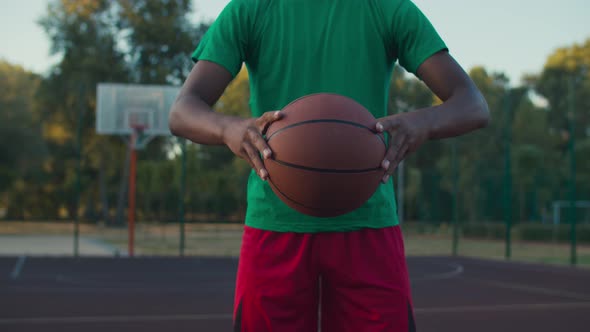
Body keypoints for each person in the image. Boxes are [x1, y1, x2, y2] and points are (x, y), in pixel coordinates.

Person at [169, 0, 489, 330]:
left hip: (368, 222)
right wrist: (227, 128)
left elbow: (472, 104)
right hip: (276, 223)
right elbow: (182, 111)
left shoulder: (386, 8)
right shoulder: (251, 9)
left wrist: (423, 121)